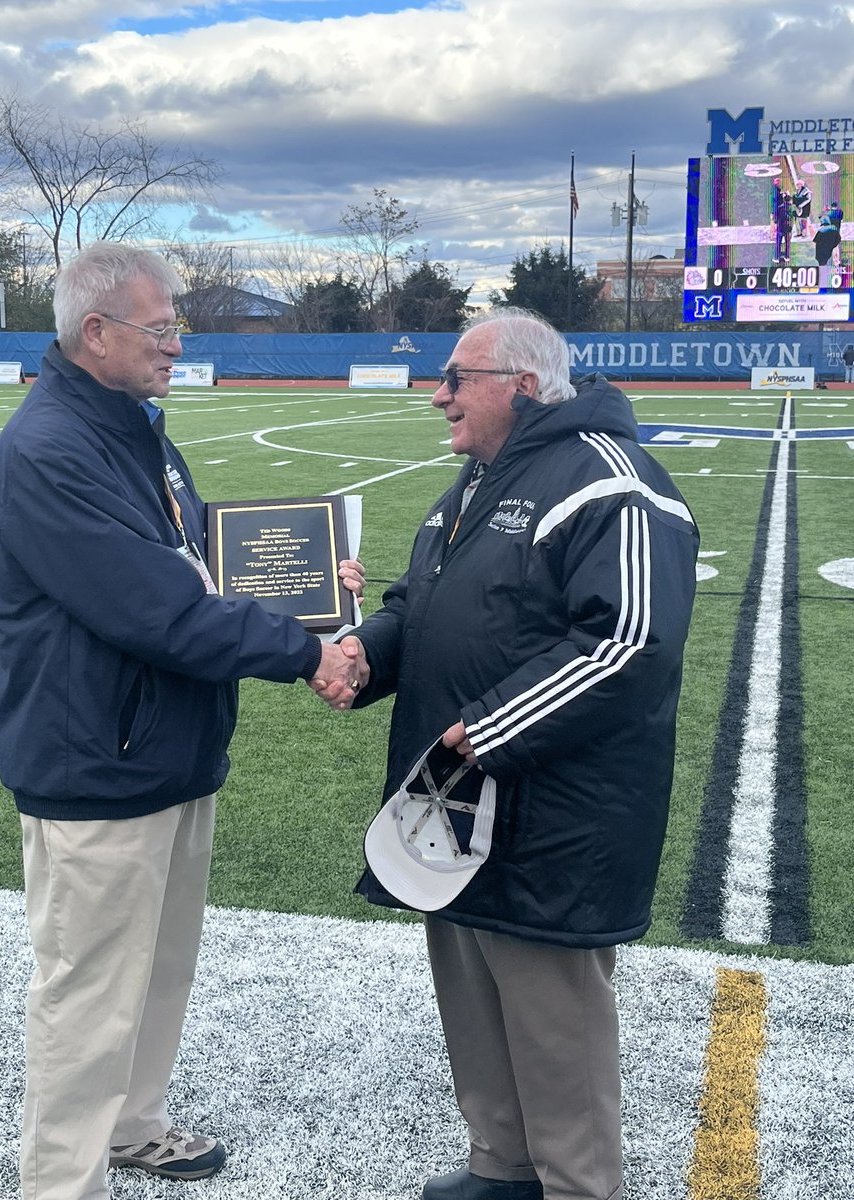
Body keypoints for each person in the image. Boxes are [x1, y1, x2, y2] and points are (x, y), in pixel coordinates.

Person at [0, 242, 368, 1200]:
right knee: (88, 995)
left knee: (155, 973)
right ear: (95, 332)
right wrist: (306, 650)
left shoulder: (134, 432)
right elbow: (159, 610)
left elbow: (195, 566)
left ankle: (133, 1126)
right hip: (97, 766)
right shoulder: (49, 452)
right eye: (160, 329)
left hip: (167, 751)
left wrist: (314, 593)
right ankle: (60, 1183)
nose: (177, 344)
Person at [327, 309, 698, 1200]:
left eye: (456, 379)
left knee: (551, 1018)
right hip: (450, 804)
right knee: (471, 990)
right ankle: (503, 1165)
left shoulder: (612, 480)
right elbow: (418, 605)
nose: (438, 395)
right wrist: (366, 653)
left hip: (556, 816)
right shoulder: (472, 484)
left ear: (522, 388)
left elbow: (631, 642)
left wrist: (487, 728)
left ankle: (578, 1185)